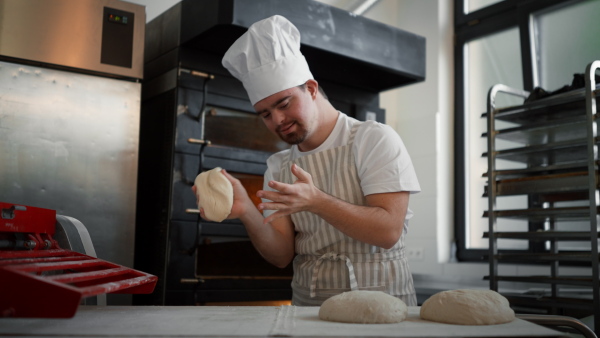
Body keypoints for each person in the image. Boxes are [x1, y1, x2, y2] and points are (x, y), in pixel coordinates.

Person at [194, 15, 421, 306]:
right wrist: (246, 210)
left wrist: (317, 202)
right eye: (265, 114)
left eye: (284, 104)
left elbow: (388, 231)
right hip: (310, 307)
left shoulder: (371, 139)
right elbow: (280, 256)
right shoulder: (278, 165)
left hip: (380, 299)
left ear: (311, 89)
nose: (277, 120)